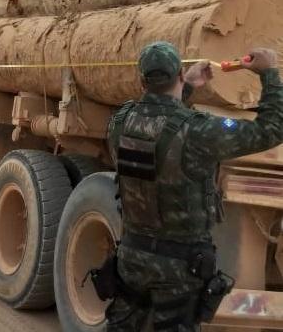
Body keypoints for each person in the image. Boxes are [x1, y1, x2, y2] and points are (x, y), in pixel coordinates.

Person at [106, 42, 283, 331]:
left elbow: (158, 124)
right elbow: (271, 130)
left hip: (132, 255)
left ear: (142, 81)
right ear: (178, 74)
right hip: (179, 266)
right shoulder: (199, 131)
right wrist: (270, 74)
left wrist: (185, 87)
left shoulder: (120, 120)